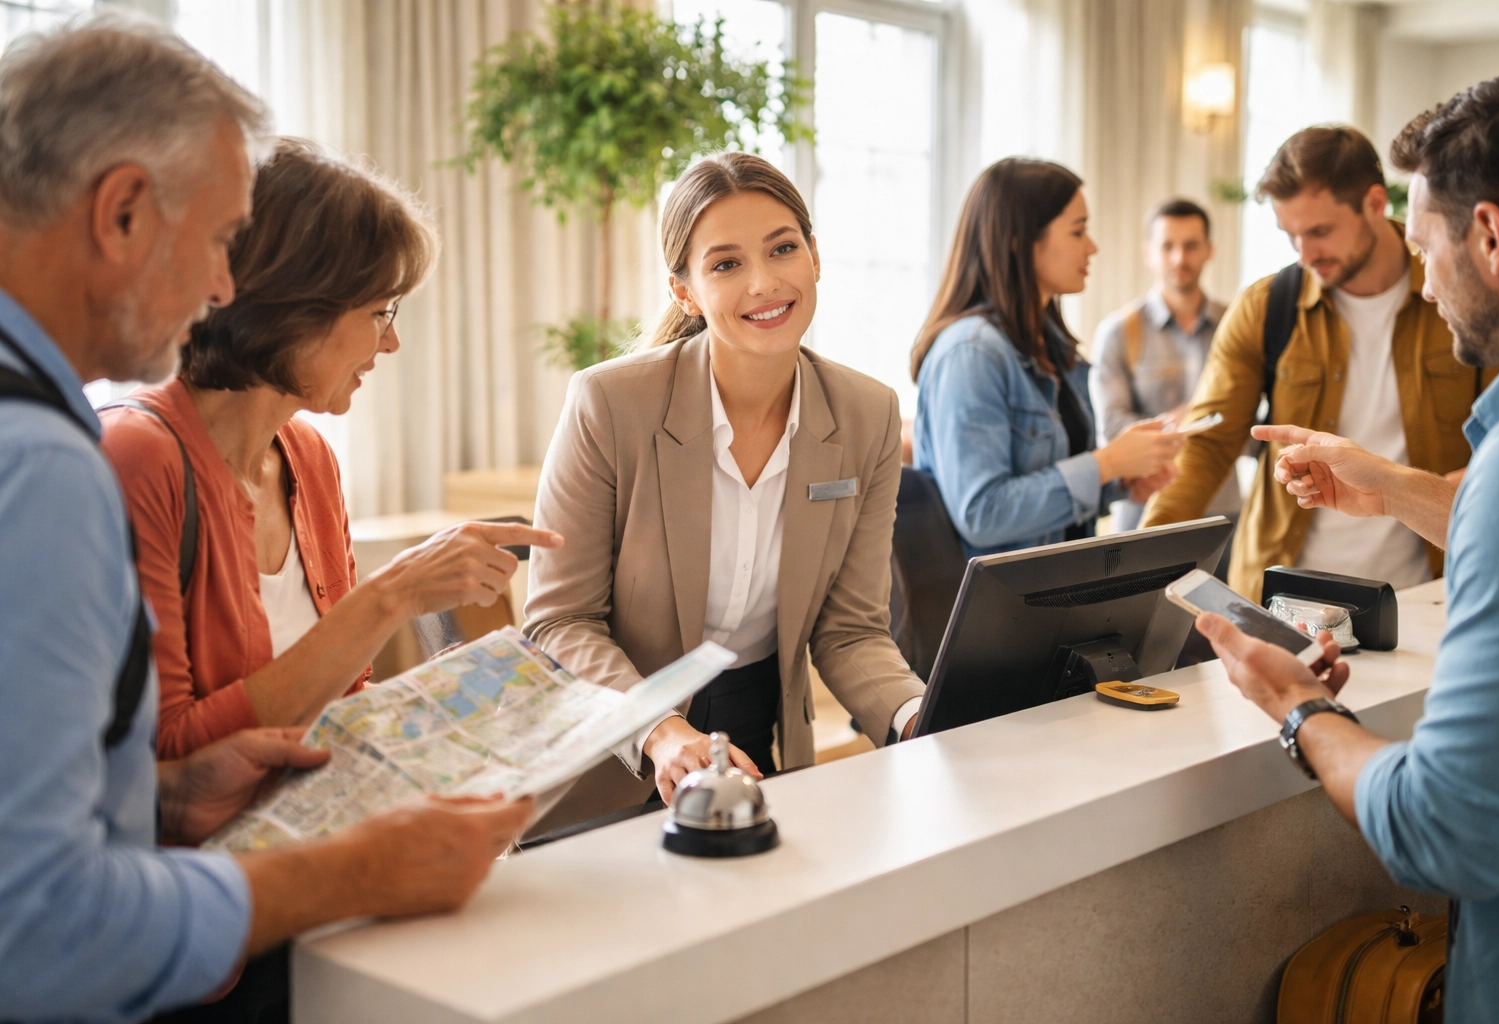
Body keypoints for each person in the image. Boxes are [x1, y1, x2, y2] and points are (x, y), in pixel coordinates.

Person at [0, 20, 531, 1023]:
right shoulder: (53, 466)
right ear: (119, 211)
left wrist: (171, 792)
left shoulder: (71, 439)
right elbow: (38, 924)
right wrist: (352, 873)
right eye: (212, 241)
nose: (219, 286)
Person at [1197, 71, 1499, 1022]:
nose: (1428, 278)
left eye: (1431, 246)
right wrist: (1392, 488)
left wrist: (1301, 709)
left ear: (1491, 238)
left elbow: (1450, 832)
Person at [100, 138, 560, 760]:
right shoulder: (136, 458)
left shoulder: (307, 457)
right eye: (378, 311)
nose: (391, 342)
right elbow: (164, 757)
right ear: (294, 307)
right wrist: (389, 597)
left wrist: (438, 700)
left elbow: (339, 698)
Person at [524, 152, 925, 813]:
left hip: (752, 747)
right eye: (726, 264)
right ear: (685, 291)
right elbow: (562, 621)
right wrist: (659, 729)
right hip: (611, 749)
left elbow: (850, 629)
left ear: (815, 256)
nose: (765, 283)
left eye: (783, 249)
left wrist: (918, 715)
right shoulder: (608, 404)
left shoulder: (867, 414)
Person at [1142, 126, 1491, 601]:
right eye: (1291, 235)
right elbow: (1206, 447)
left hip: (1426, 594)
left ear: (1374, 203)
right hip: (1282, 599)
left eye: (1320, 231)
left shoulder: (1458, 298)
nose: (1305, 254)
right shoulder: (1266, 306)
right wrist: (1136, 568)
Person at [910, 158, 1183, 557]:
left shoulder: (1052, 347)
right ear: (1020, 240)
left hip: (1058, 595)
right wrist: (1105, 464)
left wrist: (1120, 482)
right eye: (1078, 231)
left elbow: (1047, 481)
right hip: (999, 612)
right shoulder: (971, 354)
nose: (1092, 246)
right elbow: (982, 513)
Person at [1089, 197, 1239, 534]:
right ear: (1148, 252)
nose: (1179, 258)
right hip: (1144, 516)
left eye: (1190, 246)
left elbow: (1251, 426)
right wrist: (1199, 417)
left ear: (1209, 250)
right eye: (1167, 246)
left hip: (1222, 514)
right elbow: (1113, 428)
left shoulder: (1236, 325)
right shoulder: (1118, 333)